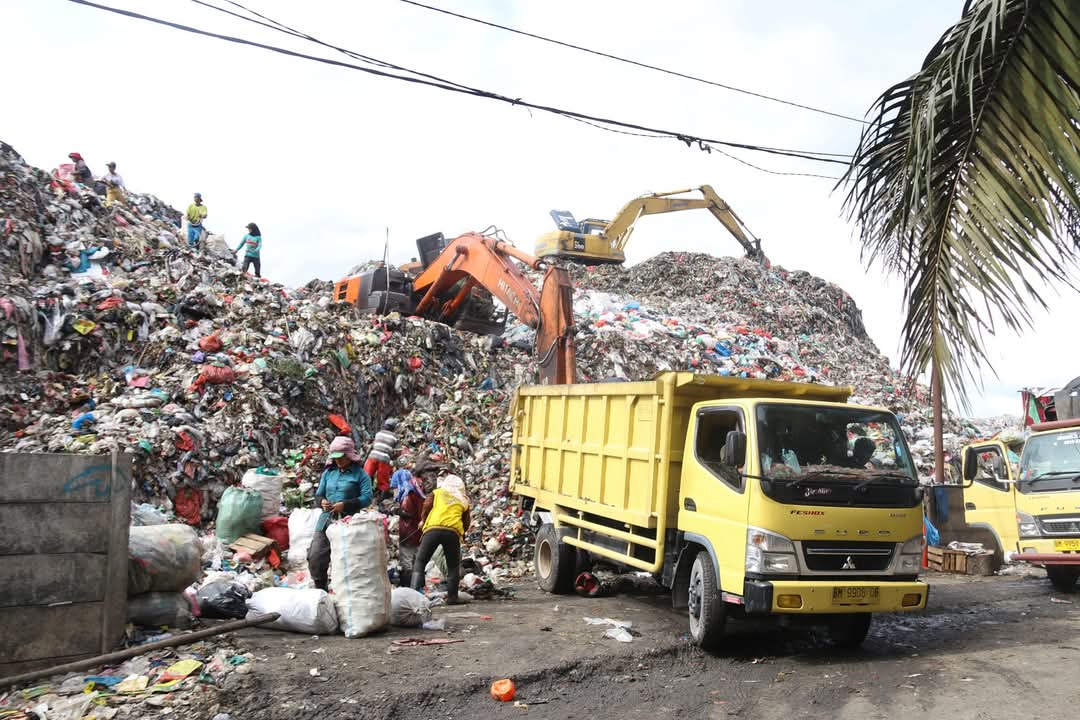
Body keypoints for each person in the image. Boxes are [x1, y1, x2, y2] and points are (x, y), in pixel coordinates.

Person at [308, 436, 373, 591]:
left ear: (349, 455)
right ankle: (321, 590)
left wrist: (345, 505)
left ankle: (345, 592)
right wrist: (322, 501)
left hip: (348, 523)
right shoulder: (328, 473)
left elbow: (367, 498)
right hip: (326, 520)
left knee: (346, 559)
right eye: (335, 458)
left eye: (341, 457)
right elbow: (318, 494)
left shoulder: (360, 474)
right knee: (315, 556)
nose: (337, 461)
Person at [412, 474, 471, 603]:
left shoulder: (437, 493)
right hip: (453, 532)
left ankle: (414, 595)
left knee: (421, 561)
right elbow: (466, 522)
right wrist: (462, 533)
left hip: (432, 529)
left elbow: (427, 505)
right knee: (453, 566)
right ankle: (452, 598)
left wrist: (423, 520)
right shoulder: (463, 500)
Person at [391, 467, 427, 586]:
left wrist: (397, 511)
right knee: (418, 559)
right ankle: (419, 585)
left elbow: (407, 513)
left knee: (407, 561)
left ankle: (409, 586)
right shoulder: (417, 490)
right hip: (418, 532)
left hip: (409, 532)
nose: (395, 489)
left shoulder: (408, 494)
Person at [365, 419, 400, 499]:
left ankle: (367, 494)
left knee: (367, 476)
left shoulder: (378, 433)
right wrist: (393, 459)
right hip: (384, 459)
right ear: (394, 427)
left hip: (372, 457)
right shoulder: (395, 437)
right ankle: (382, 500)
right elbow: (398, 452)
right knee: (383, 480)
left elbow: (373, 446)